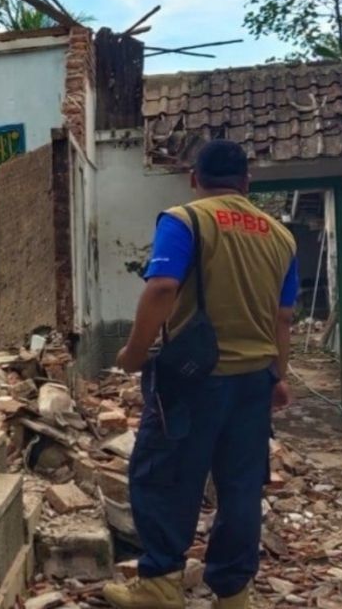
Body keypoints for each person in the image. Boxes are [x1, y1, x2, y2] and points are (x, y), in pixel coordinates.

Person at [102, 140, 298, 609]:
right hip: (254, 380)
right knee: (240, 488)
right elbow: (283, 317)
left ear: (195, 179)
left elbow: (164, 286)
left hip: (193, 379)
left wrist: (133, 352)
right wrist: (280, 374)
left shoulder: (185, 219)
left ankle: (160, 584)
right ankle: (233, 593)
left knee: (164, 474)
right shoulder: (281, 236)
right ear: (247, 182)